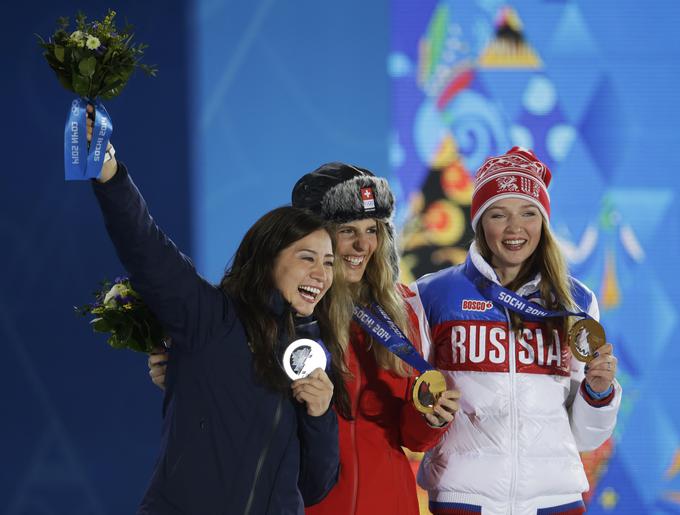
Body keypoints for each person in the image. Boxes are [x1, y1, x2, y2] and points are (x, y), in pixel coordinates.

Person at [149, 162, 461, 514]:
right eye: (347, 230)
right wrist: (190, 370)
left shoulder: (399, 310)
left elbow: (408, 437)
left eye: (372, 229)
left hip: (389, 503)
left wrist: (429, 416)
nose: (363, 244)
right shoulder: (278, 314)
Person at [86, 106, 351, 514]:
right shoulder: (210, 317)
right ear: (268, 257)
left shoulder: (310, 350)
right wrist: (109, 174)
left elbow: (313, 487)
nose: (322, 273)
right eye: (307, 258)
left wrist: (319, 415)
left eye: (329, 262)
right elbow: (146, 247)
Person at [407, 147, 622, 515]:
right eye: (498, 214)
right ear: (479, 222)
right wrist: (428, 411)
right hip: (465, 502)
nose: (514, 228)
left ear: (543, 222)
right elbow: (411, 412)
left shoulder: (576, 302)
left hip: (556, 502)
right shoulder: (432, 295)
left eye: (528, 213)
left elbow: (587, 436)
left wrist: (598, 392)